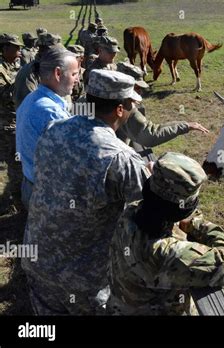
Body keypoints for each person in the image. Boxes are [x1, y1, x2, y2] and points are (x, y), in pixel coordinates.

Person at [22, 69, 152, 315]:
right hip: (84, 283)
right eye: (131, 104)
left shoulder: (53, 129)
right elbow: (155, 204)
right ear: (120, 109)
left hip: (37, 262)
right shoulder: (121, 157)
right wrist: (152, 173)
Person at [108, 152, 224, 315]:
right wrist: (197, 225)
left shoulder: (130, 212)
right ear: (184, 211)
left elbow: (161, 208)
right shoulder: (170, 253)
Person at [15, 48, 79, 209]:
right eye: (74, 74)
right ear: (58, 73)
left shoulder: (32, 98)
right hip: (49, 196)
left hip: (31, 185)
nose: (77, 80)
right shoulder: (51, 112)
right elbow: (73, 160)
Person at [115, 61, 209, 149]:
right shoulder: (124, 107)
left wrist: (184, 124)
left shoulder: (110, 98)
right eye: (137, 87)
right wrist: (185, 126)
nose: (140, 91)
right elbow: (151, 135)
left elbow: (152, 129)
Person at [13, 33, 62, 109]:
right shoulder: (30, 72)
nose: (60, 55)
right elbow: (33, 106)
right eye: (57, 52)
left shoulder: (50, 69)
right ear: (44, 51)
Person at [0, 33, 22, 128]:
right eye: (16, 47)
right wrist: (22, 81)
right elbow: (3, 95)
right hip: (5, 123)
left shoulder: (16, 66)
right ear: (5, 48)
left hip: (17, 119)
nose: (19, 50)